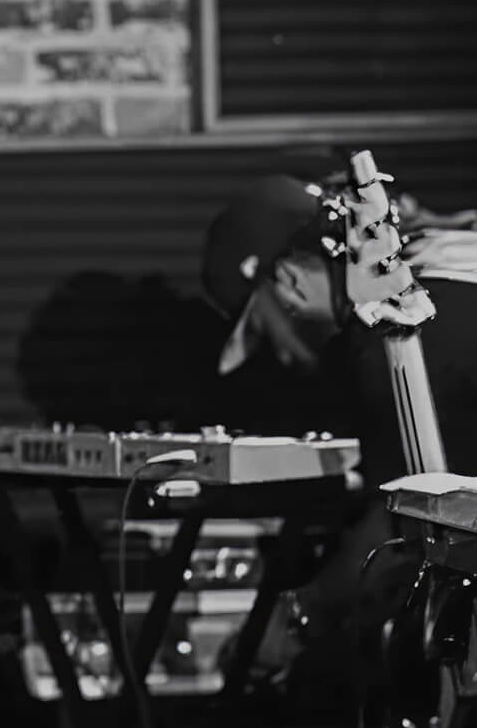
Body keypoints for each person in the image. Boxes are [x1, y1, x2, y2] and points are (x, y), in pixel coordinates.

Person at [201, 172, 477, 682]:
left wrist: (297, 615)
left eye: (264, 331)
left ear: (289, 281)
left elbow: (411, 532)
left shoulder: (397, 330)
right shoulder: (445, 266)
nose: (281, 357)